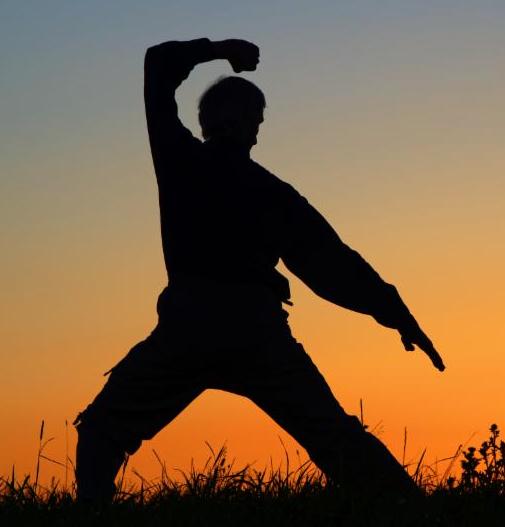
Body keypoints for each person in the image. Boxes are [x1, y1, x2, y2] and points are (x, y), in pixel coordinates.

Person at [73, 38, 445, 504]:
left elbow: (158, 64)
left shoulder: (179, 160)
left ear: (206, 122)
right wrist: (396, 314)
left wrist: (220, 49)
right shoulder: (271, 192)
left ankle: (90, 513)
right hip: (253, 333)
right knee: (335, 437)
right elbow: (333, 265)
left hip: (191, 328)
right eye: (256, 121)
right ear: (249, 127)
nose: (255, 132)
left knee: (102, 429)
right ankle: (416, 514)